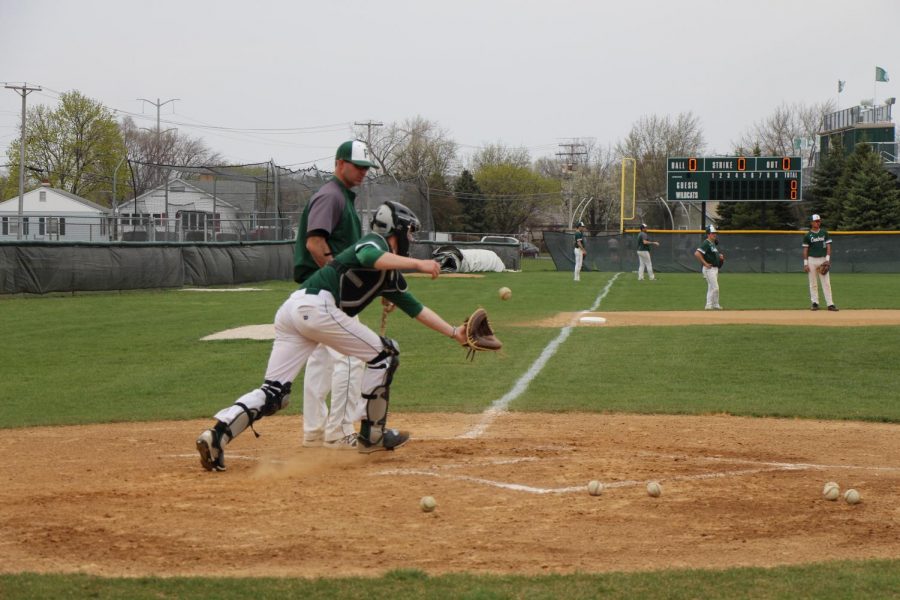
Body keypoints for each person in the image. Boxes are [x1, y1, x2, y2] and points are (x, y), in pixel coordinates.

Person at [196, 201, 469, 471]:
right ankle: (372, 435)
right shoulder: (374, 243)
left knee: (275, 393)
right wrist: (419, 264)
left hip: (295, 308)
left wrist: (455, 332)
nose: (411, 238)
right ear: (395, 230)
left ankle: (217, 434)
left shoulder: (389, 272)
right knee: (385, 355)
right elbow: (367, 258)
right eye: (409, 231)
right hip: (317, 307)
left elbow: (417, 309)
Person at [293, 140, 377, 450]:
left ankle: (314, 431)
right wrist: (339, 282)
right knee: (352, 356)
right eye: (358, 166)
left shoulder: (340, 196)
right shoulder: (331, 196)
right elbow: (316, 244)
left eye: (366, 168)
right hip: (327, 291)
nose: (363, 173)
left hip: (312, 290)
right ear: (340, 163)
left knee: (320, 362)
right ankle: (339, 432)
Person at [803, 214, 838, 311]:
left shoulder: (824, 233)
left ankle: (830, 304)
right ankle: (815, 303)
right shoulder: (807, 235)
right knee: (813, 283)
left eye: (819, 221)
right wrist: (805, 263)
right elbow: (805, 250)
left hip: (823, 260)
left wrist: (827, 259)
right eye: (816, 221)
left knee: (826, 283)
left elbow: (828, 246)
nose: (818, 222)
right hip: (811, 260)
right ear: (811, 222)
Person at [694, 224, 724, 310]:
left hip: (715, 268)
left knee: (711, 287)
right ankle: (709, 305)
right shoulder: (706, 243)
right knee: (715, 287)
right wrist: (705, 263)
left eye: (715, 233)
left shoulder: (712, 244)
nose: (715, 234)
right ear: (708, 234)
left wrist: (720, 256)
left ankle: (714, 304)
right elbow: (697, 253)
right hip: (709, 269)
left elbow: (714, 254)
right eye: (713, 233)